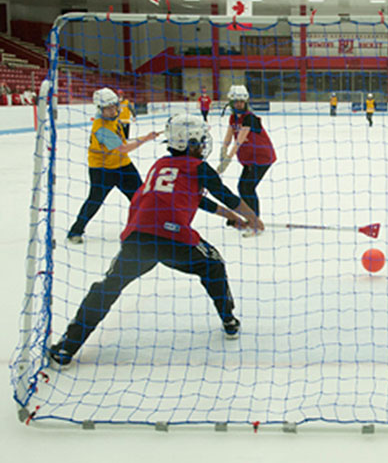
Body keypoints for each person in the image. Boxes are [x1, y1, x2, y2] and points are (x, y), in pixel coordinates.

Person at [47, 114, 264, 368]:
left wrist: (231, 218)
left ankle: (66, 347)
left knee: (108, 287)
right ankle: (229, 320)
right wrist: (253, 218)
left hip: (138, 237)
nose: (203, 145)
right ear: (190, 143)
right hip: (174, 239)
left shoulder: (160, 164)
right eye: (200, 141)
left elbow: (197, 198)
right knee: (213, 264)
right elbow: (224, 194)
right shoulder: (198, 168)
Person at [66, 87, 160, 244]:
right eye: (107, 108)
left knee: (140, 197)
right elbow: (122, 148)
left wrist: (145, 136)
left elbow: (121, 143)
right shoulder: (101, 127)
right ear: (100, 109)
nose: (112, 110)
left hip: (123, 165)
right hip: (103, 170)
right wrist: (146, 139)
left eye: (114, 106)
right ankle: (75, 232)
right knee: (95, 200)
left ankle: (152, 227)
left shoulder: (114, 119)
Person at [217, 85, 276, 236]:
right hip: (250, 159)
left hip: (261, 158)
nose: (239, 105)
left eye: (241, 102)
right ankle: (251, 218)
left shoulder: (249, 118)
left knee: (247, 188)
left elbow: (240, 140)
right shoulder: (233, 117)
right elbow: (229, 136)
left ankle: (255, 223)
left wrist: (228, 159)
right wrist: (223, 151)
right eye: (236, 102)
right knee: (243, 187)